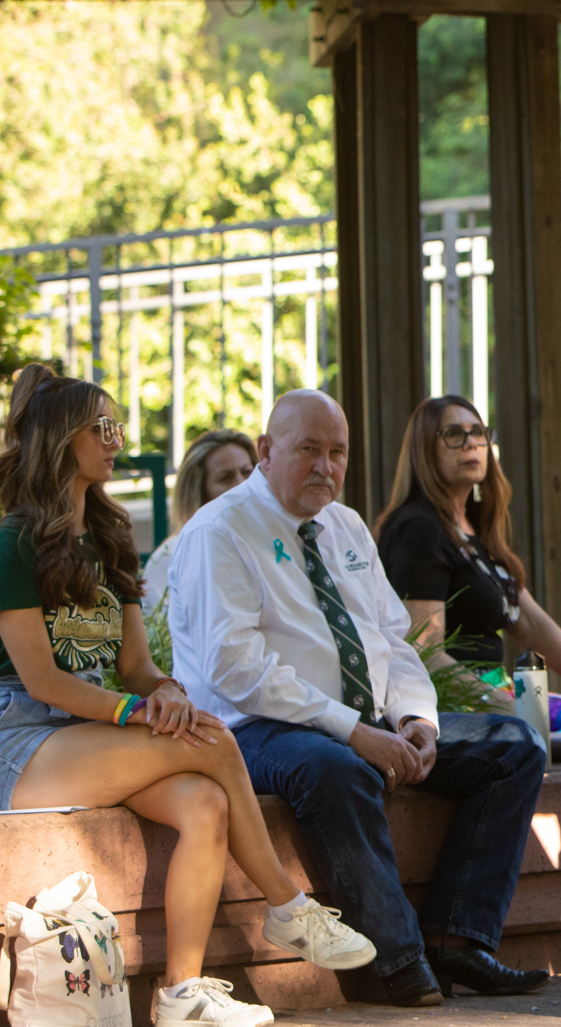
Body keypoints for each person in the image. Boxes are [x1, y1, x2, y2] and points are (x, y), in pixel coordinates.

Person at [0, 366, 374, 1027]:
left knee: (204, 803)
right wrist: (134, 711)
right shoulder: (14, 543)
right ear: (64, 439)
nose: (117, 440)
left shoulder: (112, 535)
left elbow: (138, 664)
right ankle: (289, 907)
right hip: (21, 736)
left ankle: (183, 993)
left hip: (85, 733)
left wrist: (165, 693)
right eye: (104, 428)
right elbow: (42, 682)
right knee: (215, 740)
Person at [166, 389, 551, 1007]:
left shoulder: (344, 526)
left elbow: (393, 640)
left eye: (337, 452)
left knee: (513, 745)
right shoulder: (221, 530)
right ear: (266, 451)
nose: (326, 466)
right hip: (256, 730)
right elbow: (235, 668)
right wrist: (354, 730)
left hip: (364, 720)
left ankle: (458, 938)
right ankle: (393, 964)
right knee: (337, 767)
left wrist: (415, 719)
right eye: (308, 450)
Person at [373, 395, 561, 707]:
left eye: (478, 432)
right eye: (453, 434)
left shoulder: (475, 529)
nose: (471, 444)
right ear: (424, 449)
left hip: (494, 693)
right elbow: (423, 651)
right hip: (448, 705)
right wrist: (511, 709)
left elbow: (531, 623)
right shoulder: (418, 528)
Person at [143, 428, 257, 602]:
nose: (242, 485)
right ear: (197, 492)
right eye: (225, 478)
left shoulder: (272, 541)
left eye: (247, 472)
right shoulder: (170, 557)